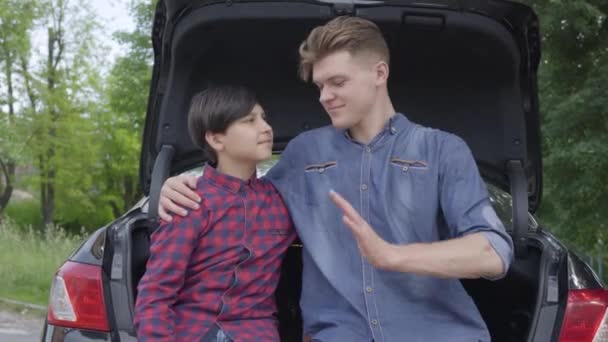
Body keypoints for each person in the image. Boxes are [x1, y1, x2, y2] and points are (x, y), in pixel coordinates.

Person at [158, 17, 514, 342]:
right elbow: (242, 201)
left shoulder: (442, 150)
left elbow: (493, 252)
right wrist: (176, 189)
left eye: (337, 82)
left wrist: (392, 256)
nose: (325, 96)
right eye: (319, 85)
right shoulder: (303, 155)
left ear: (379, 73)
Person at [134, 84, 296, 342]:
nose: (266, 127)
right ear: (216, 139)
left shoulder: (281, 202)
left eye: (264, 118)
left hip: (254, 332)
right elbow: (156, 293)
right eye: (249, 120)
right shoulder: (190, 202)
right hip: (195, 331)